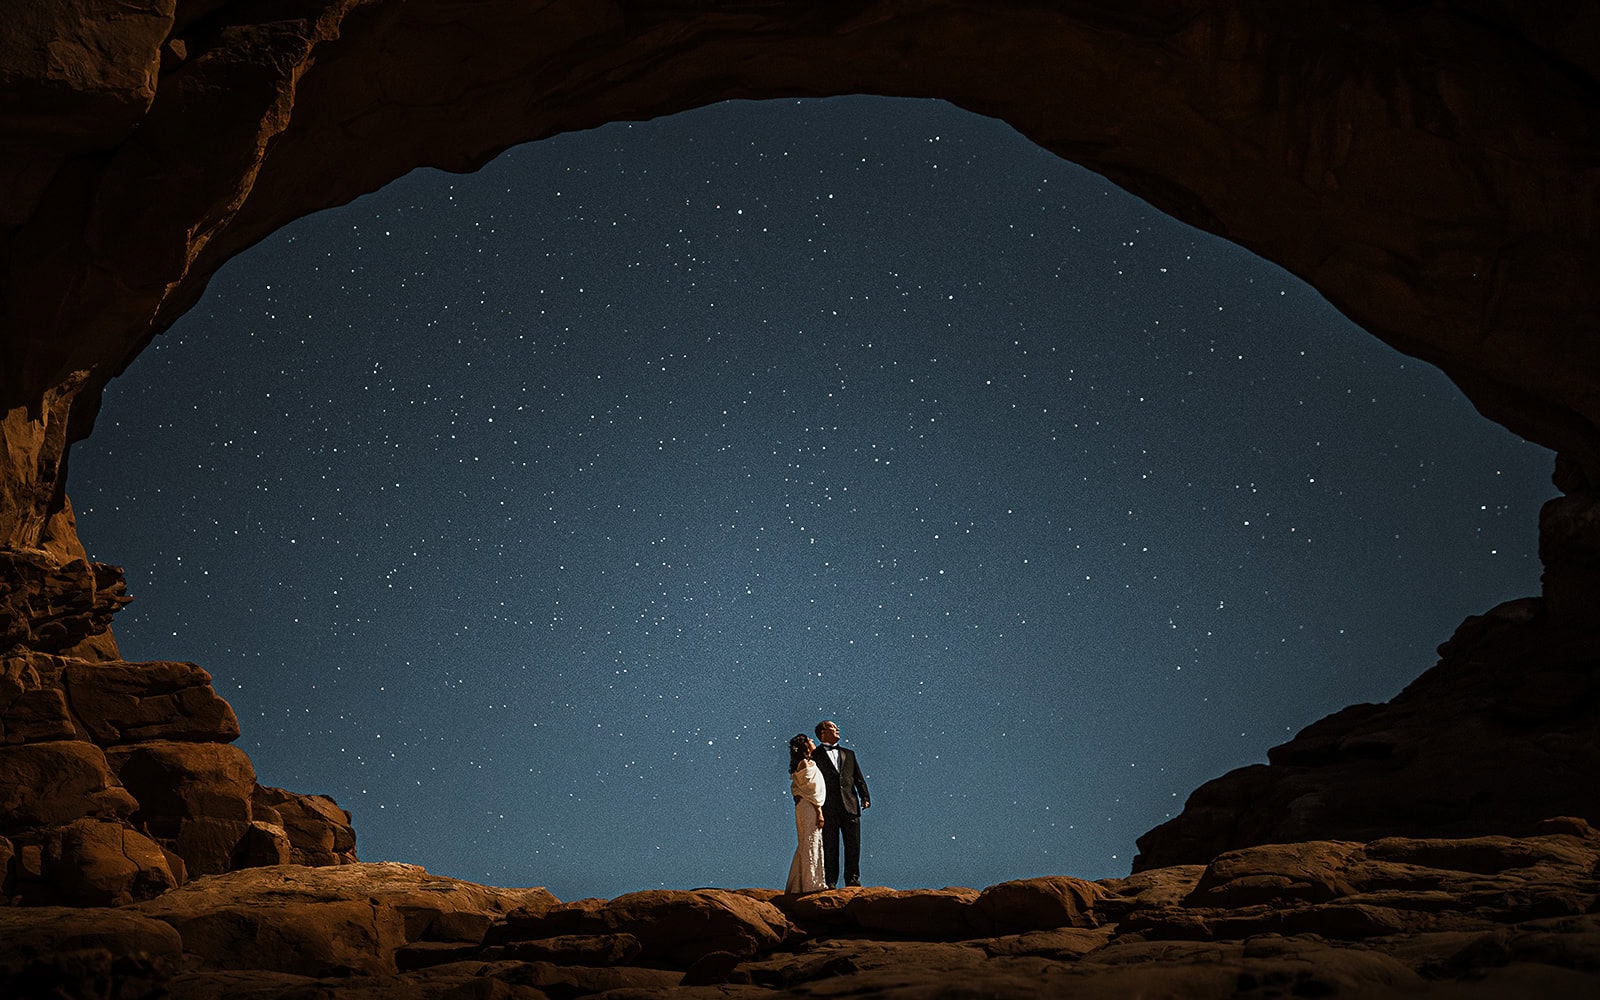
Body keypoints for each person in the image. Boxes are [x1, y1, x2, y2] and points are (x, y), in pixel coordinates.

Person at [812, 719, 870, 887]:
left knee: (853, 844)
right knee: (830, 845)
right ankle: (830, 881)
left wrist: (865, 797)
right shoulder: (814, 756)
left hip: (850, 805)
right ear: (823, 733)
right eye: (832, 727)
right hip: (827, 806)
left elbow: (857, 778)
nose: (837, 729)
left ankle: (852, 879)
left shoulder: (849, 754)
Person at [785, 733, 827, 893]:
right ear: (804, 746)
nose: (812, 741)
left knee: (808, 841)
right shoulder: (805, 764)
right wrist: (819, 812)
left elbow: (799, 789)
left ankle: (800, 884)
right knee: (810, 840)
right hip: (809, 807)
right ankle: (811, 884)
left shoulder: (807, 763)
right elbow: (811, 791)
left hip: (805, 806)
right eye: (809, 740)